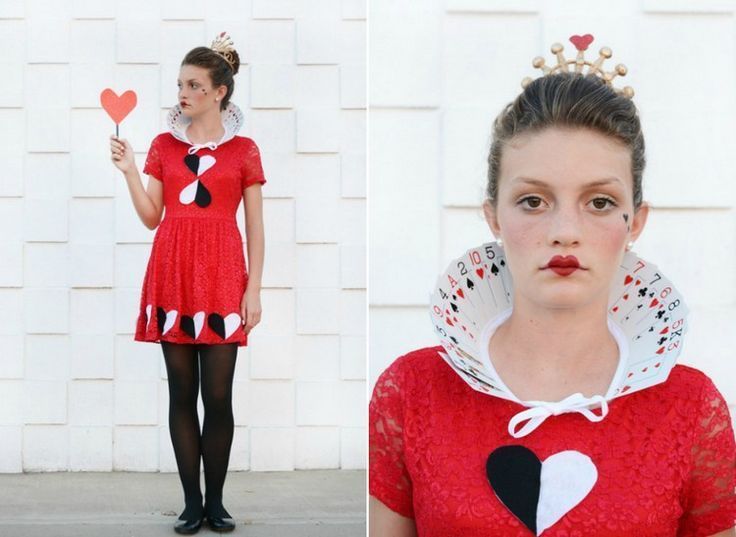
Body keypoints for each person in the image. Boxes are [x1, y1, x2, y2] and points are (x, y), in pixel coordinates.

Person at [369, 36, 736, 536]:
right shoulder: (410, 392)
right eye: (534, 201)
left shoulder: (692, 408)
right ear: (493, 215)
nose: (566, 229)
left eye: (600, 202)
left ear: (636, 221)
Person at [110, 31, 266, 534]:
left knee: (218, 396)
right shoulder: (162, 145)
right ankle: (191, 504)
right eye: (180, 83)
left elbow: (256, 227)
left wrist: (254, 288)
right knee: (182, 393)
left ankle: (217, 502)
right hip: (172, 275)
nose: (183, 92)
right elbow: (152, 217)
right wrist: (131, 171)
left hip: (222, 277)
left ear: (219, 91)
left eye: (194, 84)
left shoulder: (244, 150)